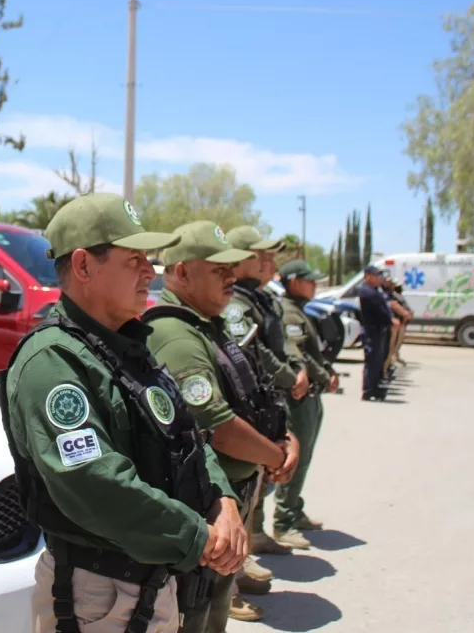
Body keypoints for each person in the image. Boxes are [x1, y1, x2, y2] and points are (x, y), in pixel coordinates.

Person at [0, 193, 248, 633]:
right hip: (98, 595)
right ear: (83, 266)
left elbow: (186, 433)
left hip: (153, 579)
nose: (149, 272)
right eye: (134, 259)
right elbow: (95, 484)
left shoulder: (128, 346)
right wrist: (199, 537)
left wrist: (222, 500)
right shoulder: (53, 361)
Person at [141, 221, 299, 633]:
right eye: (218, 270)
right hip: (207, 505)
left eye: (231, 268)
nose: (231, 277)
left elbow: (254, 393)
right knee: (196, 614)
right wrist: (276, 456)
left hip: (233, 494)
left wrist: (285, 438)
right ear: (181, 272)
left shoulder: (208, 323)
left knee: (215, 606)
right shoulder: (177, 335)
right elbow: (217, 426)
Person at [221, 226, 308, 561]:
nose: (268, 263)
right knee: (245, 480)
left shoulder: (259, 297)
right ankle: (240, 558)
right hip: (248, 400)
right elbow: (252, 355)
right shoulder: (236, 303)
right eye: (260, 256)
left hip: (266, 397)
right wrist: (289, 376)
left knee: (256, 481)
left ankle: (252, 539)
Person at [271, 260, 339, 550]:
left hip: (310, 395)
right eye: (310, 281)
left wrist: (326, 372)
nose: (315, 285)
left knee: (306, 456)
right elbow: (299, 355)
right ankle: (283, 522)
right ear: (295, 282)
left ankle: (293, 510)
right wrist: (324, 375)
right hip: (299, 398)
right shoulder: (290, 313)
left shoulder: (298, 310)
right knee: (298, 458)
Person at [358, 265, 396, 401]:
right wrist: (389, 320)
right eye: (375, 275)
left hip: (378, 330)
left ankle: (374, 386)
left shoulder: (374, 291)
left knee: (377, 360)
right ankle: (368, 390)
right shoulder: (367, 291)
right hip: (371, 330)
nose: (378, 278)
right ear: (367, 276)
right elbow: (380, 310)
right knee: (372, 360)